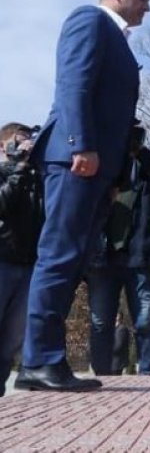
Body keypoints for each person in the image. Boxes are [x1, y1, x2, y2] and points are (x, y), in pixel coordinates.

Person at [16, 0, 150, 392]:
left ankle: (43, 361)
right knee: (58, 255)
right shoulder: (88, 20)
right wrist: (80, 144)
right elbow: (73, 84)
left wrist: (115, 175)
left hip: (98, 167)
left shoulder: (119, 41)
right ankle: (39, 360)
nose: (148, 7)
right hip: (75, 160)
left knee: (73, 260)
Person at [87, 125, 150, 377]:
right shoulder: (98, 166)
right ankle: (102, 375)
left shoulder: (145, 171)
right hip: (102, 259)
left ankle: (147, 374)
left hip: (139, 257)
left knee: (145, 321)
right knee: (100, 322)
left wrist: (140, 151)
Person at [0, 123, 44, 397]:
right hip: (2, 259)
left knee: (11, 341)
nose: (25, 146)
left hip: (28, 265)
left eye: (29, 142)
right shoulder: (12, 173)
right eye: (19, 142)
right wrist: (16, 169)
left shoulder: (34, 177)